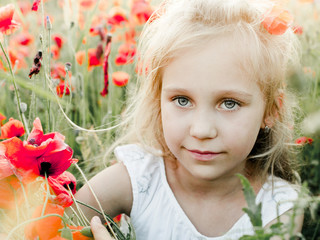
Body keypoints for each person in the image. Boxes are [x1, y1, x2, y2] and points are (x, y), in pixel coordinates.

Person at [73, 0, 304, 239]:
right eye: (182, 100)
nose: (202, 130)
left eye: (229, 103)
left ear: (271, 111)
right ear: (158, 99)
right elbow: (50, 227)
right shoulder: (137, 180)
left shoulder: (278, 208)